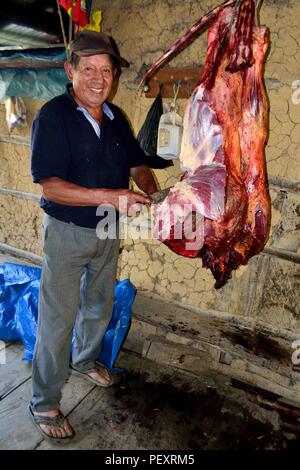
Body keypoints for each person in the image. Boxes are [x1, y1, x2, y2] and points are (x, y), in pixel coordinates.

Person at [28, 30, 158, 443]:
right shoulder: (54, 116)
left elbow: (138, 166)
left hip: (107, 228)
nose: (99, 79)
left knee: (99, 304)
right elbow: (50, 186)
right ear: (71, 70)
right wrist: (111, 196)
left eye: (107, 70)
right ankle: (43, 400)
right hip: (66, 231)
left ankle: (85, 361)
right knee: (57, 317)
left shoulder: (117, 117)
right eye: (89, 69)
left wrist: (156, 195)